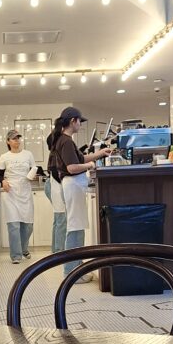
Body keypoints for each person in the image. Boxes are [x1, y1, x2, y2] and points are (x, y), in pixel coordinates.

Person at [50, 107, 112, 279]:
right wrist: (91, 166)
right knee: (75, 228)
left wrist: (99, 154)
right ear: (73, 121)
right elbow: (72, 167)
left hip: (73, 186)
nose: (80, 124)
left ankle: (75, 267)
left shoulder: (64, 140)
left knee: (76, 226)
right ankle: (71, 271)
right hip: (73, 186)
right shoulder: (66, 141)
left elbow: (79, 159)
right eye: (79, 121)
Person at [0, 129, 37, 264]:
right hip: (10, 193)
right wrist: (3, 182)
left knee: (28, 225)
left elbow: (34, 167)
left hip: (25, 191)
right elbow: (0, 175)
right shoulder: (4, 157)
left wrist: (30, 175)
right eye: (14, 138)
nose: (17, 140)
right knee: (14, 225)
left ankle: (23, 248)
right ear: (8, 141)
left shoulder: (28, 154)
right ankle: (16, 255)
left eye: (18, 138)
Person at [44, 129, 67, 254]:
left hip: (52, 185)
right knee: (61, 220)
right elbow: (55, 172)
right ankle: (59, 252)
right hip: (55, 186)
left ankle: (55, 250)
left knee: (58, 220)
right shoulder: (55, 154)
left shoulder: (55, 153)